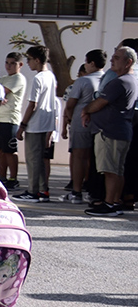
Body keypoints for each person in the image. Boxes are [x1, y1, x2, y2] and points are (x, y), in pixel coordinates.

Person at [83, 46, 138, 216]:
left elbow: (100, 102)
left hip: (111, 133)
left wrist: (86, 110)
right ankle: (114, 202)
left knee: (111, 170)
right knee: (117, 170)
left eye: (117, 57)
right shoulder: (129, 80)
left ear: (128, 62)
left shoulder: (121, 82)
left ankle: (109, 204)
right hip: (118, 131)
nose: (112, 60)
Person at [62, 50, 106, 204]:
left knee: (79, 157)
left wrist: (68, 117)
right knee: (94, 158)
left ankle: (76, 192)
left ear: (92, 63)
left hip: (81, 123)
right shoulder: (108, 78)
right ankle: (93, 190)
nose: (85, 66)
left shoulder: (83, 81)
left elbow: (71, 104)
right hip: (100, 124)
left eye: (87, 62)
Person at [17, 45, 59, 202]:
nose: (28, 63)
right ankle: (43, 190)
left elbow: (32, 104)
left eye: (29, 59)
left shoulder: (38, 78)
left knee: (33, 159)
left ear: (37, 59)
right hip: (46, 122)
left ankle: (32, 191)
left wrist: (22, 125)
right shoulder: (51, 76)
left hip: (35, 124)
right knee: (40, 159)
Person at [0, 51, 26, 189]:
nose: (9, 66)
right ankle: (2, 176)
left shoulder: (18, 78)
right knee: (0, 150)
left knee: (10, 150)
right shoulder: (3, 78)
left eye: (13, 63)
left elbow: (1, 91)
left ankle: (13, 178)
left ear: (20, 65)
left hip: (10, 119)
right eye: (7, 63)